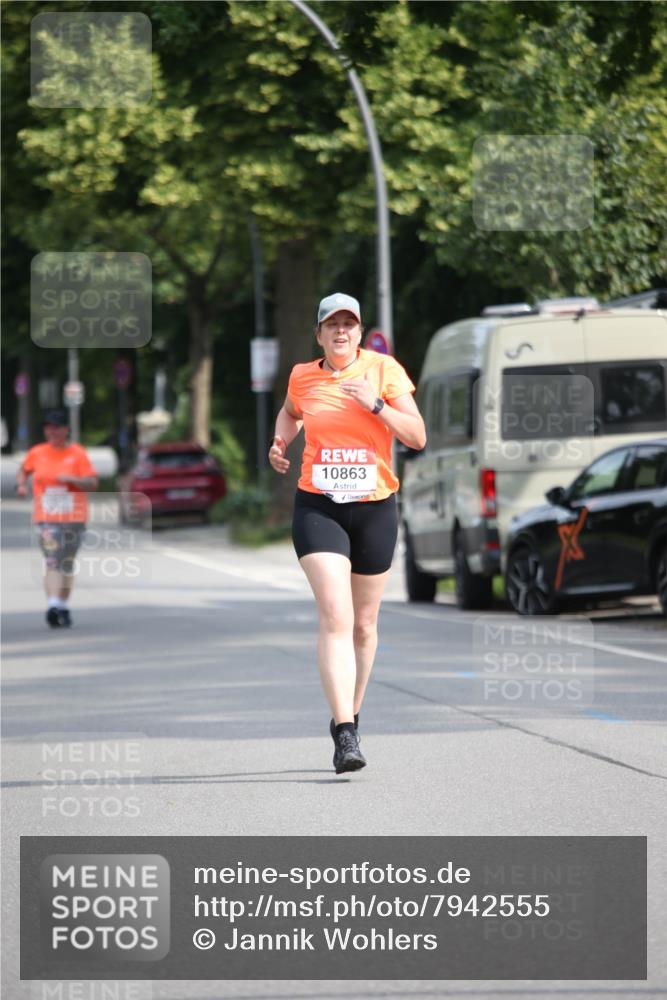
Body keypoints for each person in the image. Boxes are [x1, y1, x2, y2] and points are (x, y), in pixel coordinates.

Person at [269, 293, 426, 774]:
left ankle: (350, 713)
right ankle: (345, 733)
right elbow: (291, 414)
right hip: (319, 505)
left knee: (363, 624)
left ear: (360, 332)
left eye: (349, 324)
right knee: (335, 614)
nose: (341, 331)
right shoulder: (302, 375)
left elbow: (416, 437)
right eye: (331, 324)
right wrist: (280, 442)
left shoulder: (384, 371)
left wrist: (376, 404)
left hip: (375, 506)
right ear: (318, 333)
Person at [16, 409, 98, 628]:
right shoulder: (37, 452)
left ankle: (62, 605)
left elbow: (92, 483)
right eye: (48, 427)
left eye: (56, 427)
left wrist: (73, 479)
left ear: (66, 430)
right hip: (47, 518)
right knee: (52, 559)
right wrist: (22, 485)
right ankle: (53, 605)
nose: (51, 431)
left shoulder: (77, 453)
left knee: (66, 563)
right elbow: (23, 470)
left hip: (74, 517)